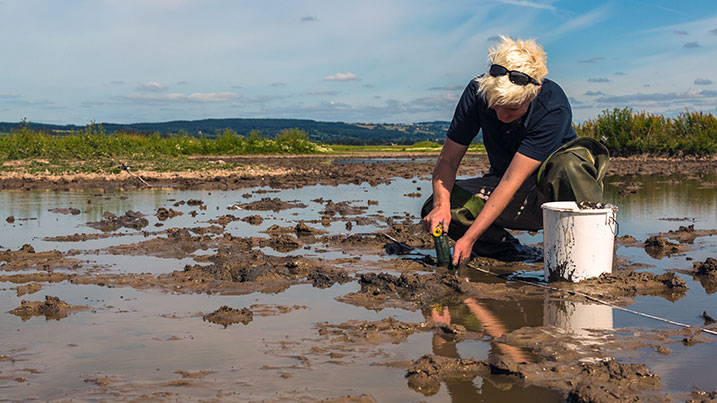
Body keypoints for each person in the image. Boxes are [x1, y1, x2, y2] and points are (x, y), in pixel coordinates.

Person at [421, 35, 609, 266]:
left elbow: (512, 180)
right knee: (438, 204)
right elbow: (448, 161)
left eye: (511, 109)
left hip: (552, 193)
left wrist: (469, 238)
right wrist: (441, 207)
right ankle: (507, 252)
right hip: (507, 189)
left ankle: (587, 254)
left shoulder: (552, 106)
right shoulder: (476, 91)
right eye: (495, 107)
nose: (501, 116)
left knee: (569, 165)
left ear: (535, 92)